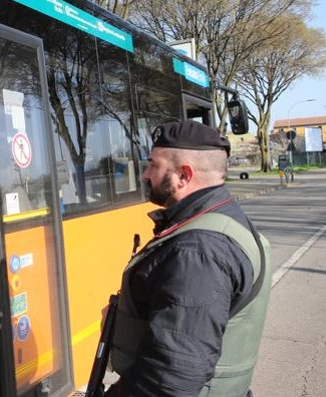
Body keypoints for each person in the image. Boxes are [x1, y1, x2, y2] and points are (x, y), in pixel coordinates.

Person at [106, 120, 272, 397]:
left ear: (184, 175)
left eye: (153, 165)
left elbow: (170, 379)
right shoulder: (220, 217)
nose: (145, 174)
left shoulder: (198, 251)